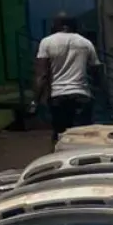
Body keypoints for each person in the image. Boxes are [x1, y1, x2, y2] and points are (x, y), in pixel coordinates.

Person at [35, 14, 100, 146]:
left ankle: (59, 156)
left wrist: (35, 100)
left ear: (59, 25)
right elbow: (96, 70)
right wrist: (100, 94)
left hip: (58, 96)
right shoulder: (86, 43)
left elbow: (42, 75)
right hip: (81, 95)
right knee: (83, 136)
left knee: (60, 136)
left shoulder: (46, 42)